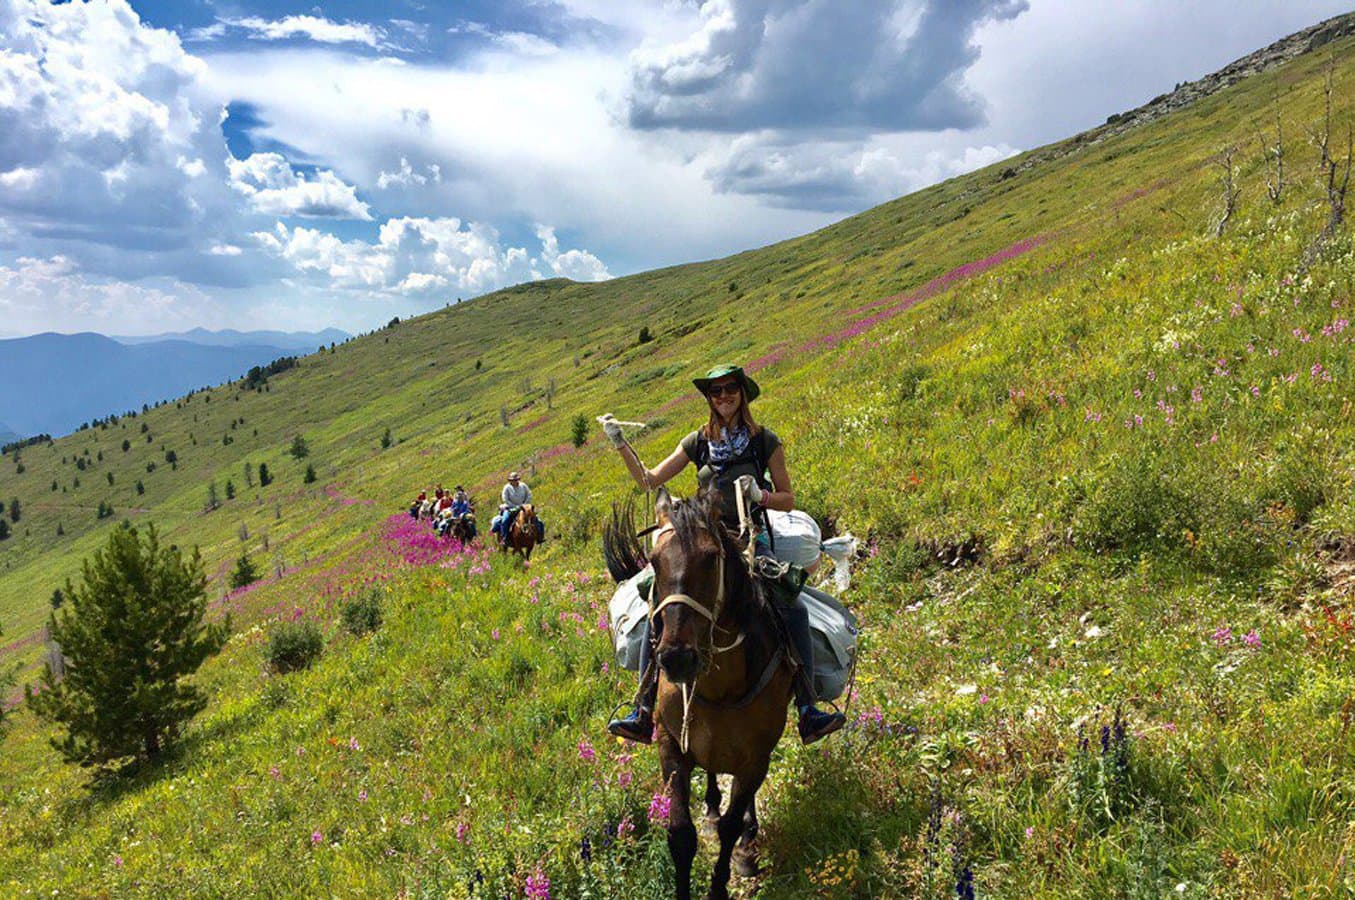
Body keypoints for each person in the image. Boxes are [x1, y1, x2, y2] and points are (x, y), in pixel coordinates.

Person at [602, 364, 845, 745]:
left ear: (742, 393)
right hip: (705, 537)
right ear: (709, 400)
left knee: (792, 608)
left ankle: (807, 708)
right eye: (715, 392)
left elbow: (787, 498)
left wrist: (759, 495)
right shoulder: (697, 441)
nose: (723, 396)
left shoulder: (765, 441)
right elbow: (650, 480)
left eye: (729, 389)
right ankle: (644, 708)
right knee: (658, 601)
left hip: (751, 538)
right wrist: (619, 443)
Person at [490, 472, 545, 544]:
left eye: (515, 480)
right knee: (505, 520)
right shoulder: (507, 488)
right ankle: (505, 538)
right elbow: (505, 499)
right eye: (513, 480)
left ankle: (539, 537)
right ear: (510, 480)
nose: (514, 481)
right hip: (510, 508)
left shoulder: (523, 486)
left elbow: (529, 495)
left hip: (524, 507)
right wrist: (514, 506)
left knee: (537, 520)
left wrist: (524, 505)